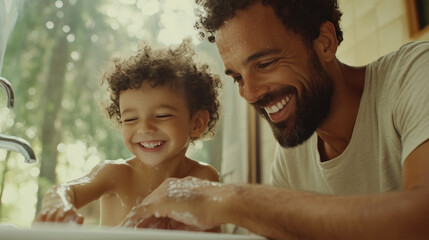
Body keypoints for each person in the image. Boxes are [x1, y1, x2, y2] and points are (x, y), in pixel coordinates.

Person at [119, 0, 429, 239]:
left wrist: (229, 199)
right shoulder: (294, 157)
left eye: (266, 63)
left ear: (324, 42)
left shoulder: (414, 73)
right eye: (238, 77)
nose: (250, 93)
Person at [34, 39, 222, 232]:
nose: (145, 128)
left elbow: (215, 236)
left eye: (162, 115)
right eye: (131, 119)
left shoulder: (203, 177)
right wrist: (58, 204)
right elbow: (66, 190)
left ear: (197, 123)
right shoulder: (115, 173)